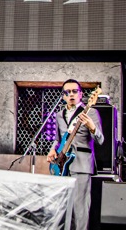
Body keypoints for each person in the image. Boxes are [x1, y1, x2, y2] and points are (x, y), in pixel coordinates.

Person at [46, 79, 104, 230]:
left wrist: (92, 127)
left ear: (81, 94)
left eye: (74, 91)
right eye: (67, 92)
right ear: (63, 96)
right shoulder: (59, 115)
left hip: (81, 164)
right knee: (64, 208)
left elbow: (101, 140)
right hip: (61, 164)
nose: (71, 94)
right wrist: (52, 150)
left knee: (80, 208)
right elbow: (58, 139)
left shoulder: (91, 112)